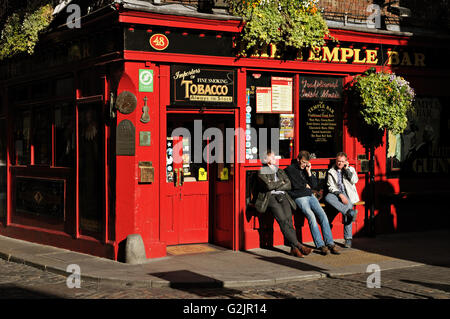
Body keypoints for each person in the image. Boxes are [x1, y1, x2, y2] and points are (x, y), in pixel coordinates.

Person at [254, 151, 312, 258]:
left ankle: (293, 249)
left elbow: (288, 184)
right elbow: (268, 186)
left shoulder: (280, 171)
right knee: (283, 222)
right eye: (272, 156)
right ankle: (299, 245)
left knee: (289, 222)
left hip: (284, 196)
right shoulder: (262, 171)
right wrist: (281, 183)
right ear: (266, 160)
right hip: (271, 198)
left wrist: (277, 185)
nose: (275, 158)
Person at [285, 151, 340, 255]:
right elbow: (296, 185)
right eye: (303, 162)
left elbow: (314, 185)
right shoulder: (291, 169)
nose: (304, 164)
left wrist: (309, 172)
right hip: (299, 197)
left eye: (307, 163)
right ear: (298, 160)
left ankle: (330, 243)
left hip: (310, 196)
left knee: (323, 215)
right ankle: (320, 245)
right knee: (311, 216)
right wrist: (305, 185)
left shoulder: (306, 169)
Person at [324, 152, 359, 248]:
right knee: (327, 197)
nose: (340, 163)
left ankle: (348, 239)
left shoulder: (350, 169)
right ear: (336, 161)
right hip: (336, 194)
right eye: (338, 161)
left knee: (348, 206)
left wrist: (347, 170)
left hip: (348, 194)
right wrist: (339, 195)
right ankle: (349, 212)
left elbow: (355, 180)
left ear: (346, 162)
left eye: (342, 161)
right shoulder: (331, 171)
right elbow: (330, 186)